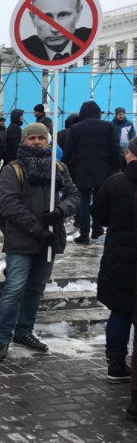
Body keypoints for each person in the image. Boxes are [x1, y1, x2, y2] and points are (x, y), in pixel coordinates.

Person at [0, 123, 79, 362]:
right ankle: (2, 337)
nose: (37, 142)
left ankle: (24, 331)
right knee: (14, 289)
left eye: (41, 138)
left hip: (49, 239)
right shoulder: (13, 169)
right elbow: (10, 205)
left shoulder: (58, 168)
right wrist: (38, 230)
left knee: (35, 290)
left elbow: (73, 195)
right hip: (22, 239)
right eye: (32, 138)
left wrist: (61, 210)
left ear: (48, 141)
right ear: (24, 141)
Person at [90, 137, 137, 384]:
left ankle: (116, 366)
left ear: (131, 155)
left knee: (120, 312)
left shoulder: (115, 182)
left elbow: (99, 214)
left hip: (119, 258)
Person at [63, 101, 121, 244]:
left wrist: (62, 165)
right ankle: (97, 227)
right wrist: (117, 167)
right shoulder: (108, 126)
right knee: (99, 199)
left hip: (83, 168)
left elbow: (68, 150)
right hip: (103, 168)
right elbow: (115, 149)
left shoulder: (76, 128)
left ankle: (84, 233)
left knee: (83, 200)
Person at [22, 0, 90, 62]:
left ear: (78, 12)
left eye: (63, 15)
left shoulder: (89, 37)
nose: (55, 29)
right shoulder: (24, 48)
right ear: (32, 18)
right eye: (45, 17)